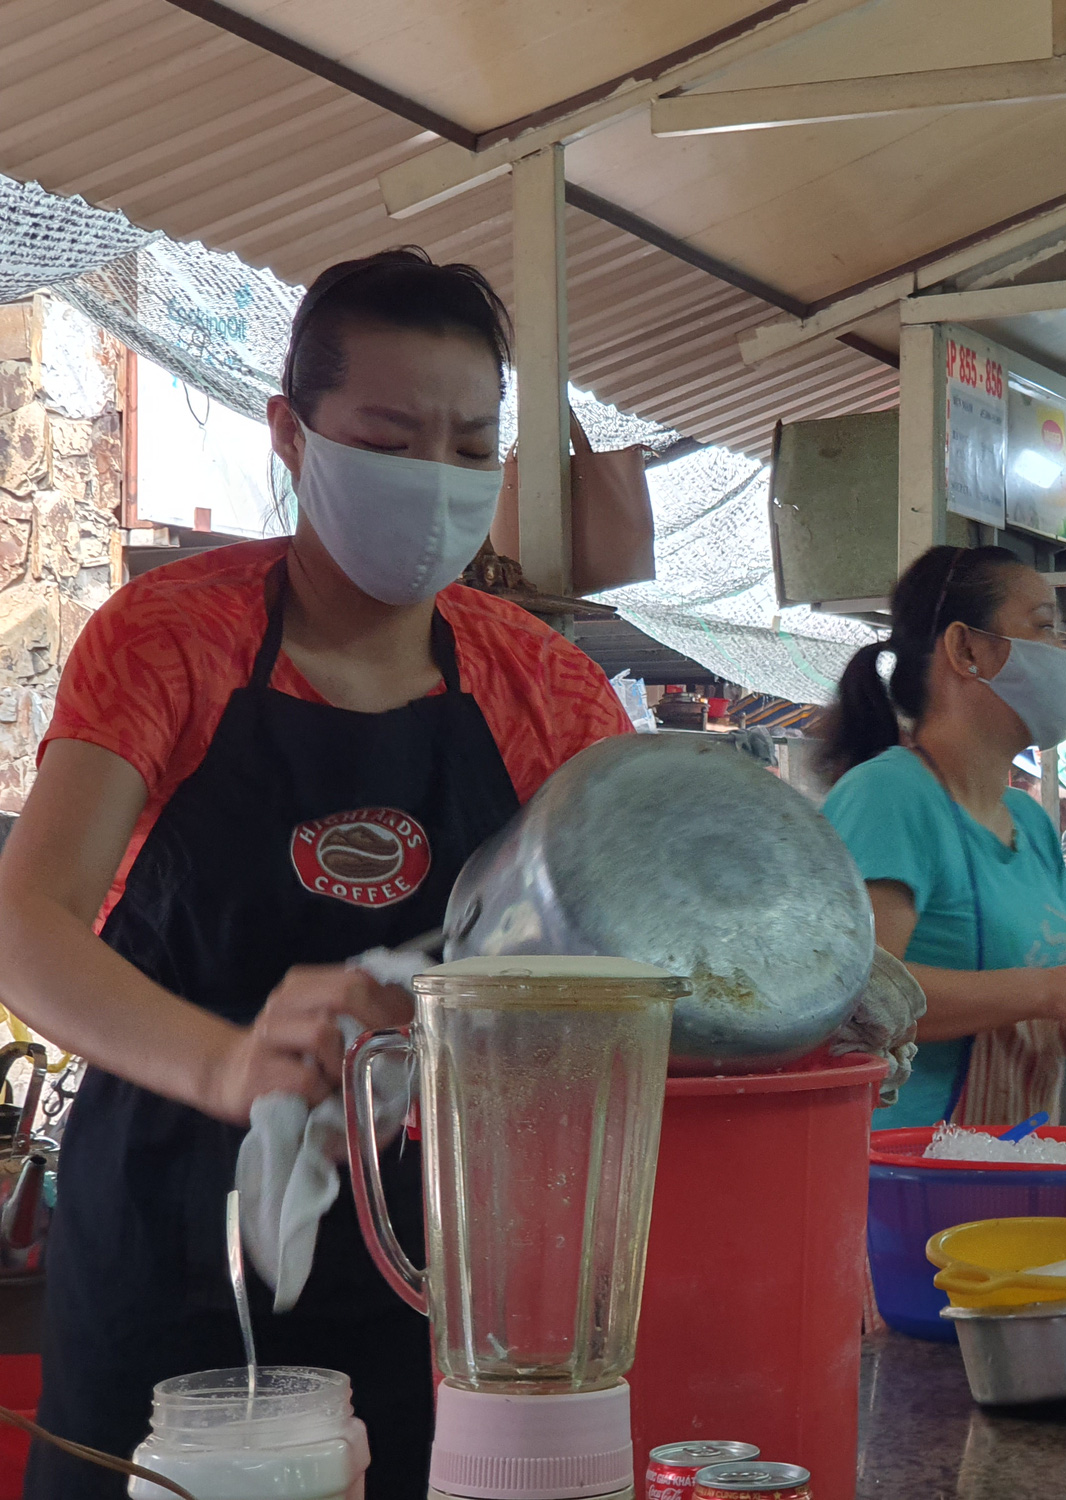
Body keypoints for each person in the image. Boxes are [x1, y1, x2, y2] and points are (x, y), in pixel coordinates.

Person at [0, 249, 634, 1497]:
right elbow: (25, 923)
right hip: (169, 1246)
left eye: (470, 446)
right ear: (291, 434)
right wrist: (229, 1064)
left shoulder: (542, 684)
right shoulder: (173, 635)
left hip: (442, 1263)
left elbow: (617, 945)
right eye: (394, 438)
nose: (439, 482)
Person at [817, 545, 1066, 1127]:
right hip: (904, 1175)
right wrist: (1048, 991)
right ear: (967, 650)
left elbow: (1053, 1034)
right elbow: (859, 998)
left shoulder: (1031, 822)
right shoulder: (887, 796)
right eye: (1044, 627)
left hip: (1009, 1165)